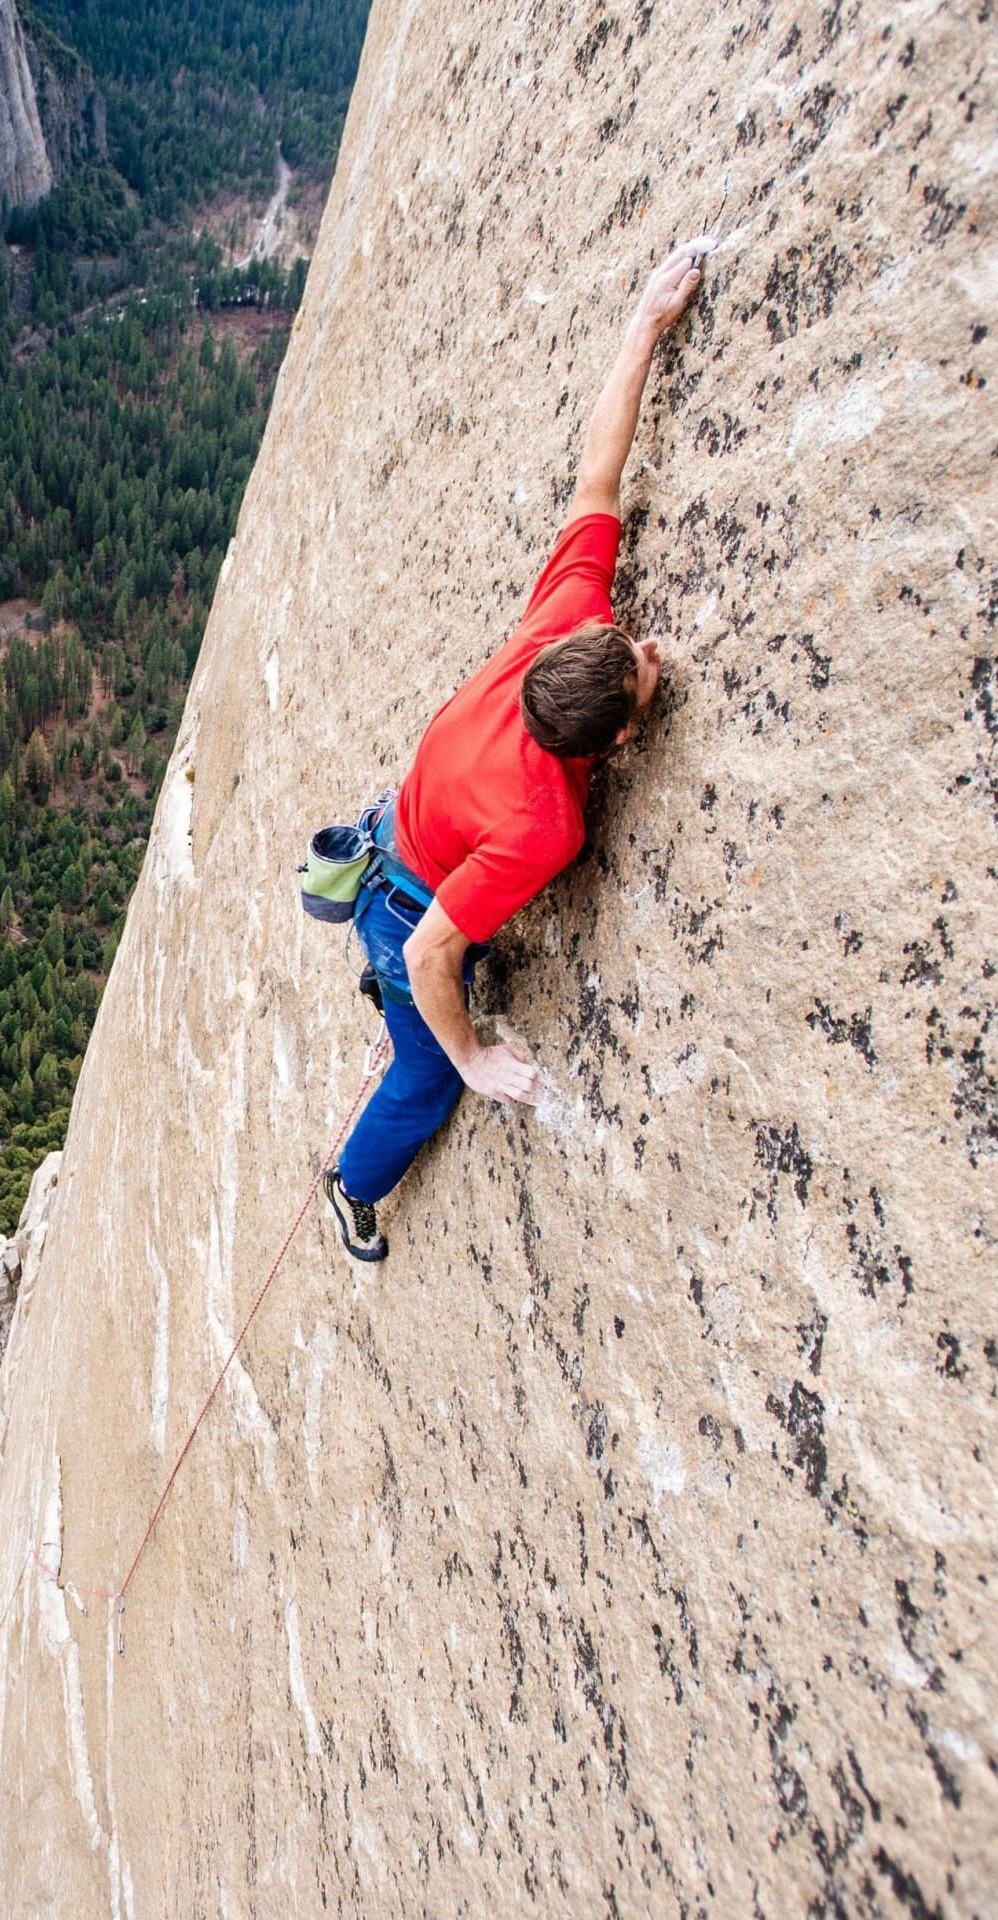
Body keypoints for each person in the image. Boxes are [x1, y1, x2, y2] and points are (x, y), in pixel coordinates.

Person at [324, 240, 705, 1261]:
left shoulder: (566, 621)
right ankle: (352, 1188)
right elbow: (429, 950)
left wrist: (644, 331)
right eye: (639, 664)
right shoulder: (548, 823)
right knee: (426, 1075)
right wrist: (474, 1053)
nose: (645, 646)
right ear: (618, 738)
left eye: (629, 648)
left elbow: (600, 471)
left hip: (406, 838)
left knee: (440, 954)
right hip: (405, 906)